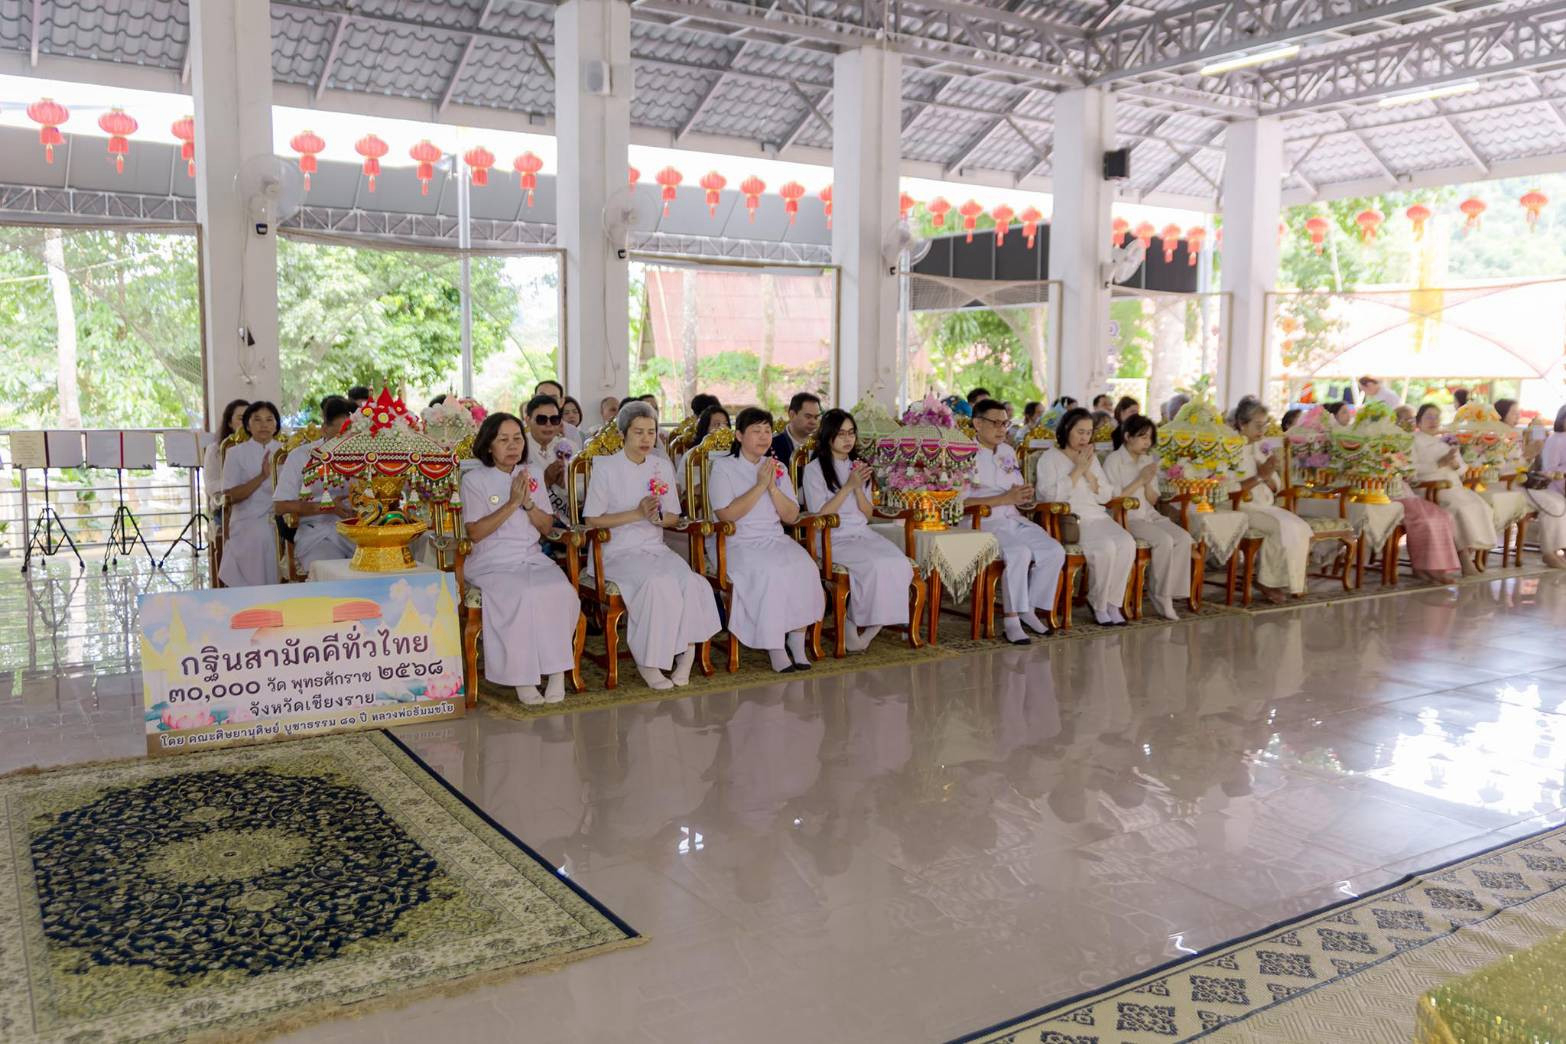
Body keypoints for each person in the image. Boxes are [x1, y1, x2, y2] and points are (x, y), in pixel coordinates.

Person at [583, 402, 720, 690]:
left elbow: (672, 516)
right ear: (623, 435)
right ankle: (649, 661)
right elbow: (593, 519)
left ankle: (686, 654)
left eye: (651, 432)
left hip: (655, 548)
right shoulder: (605, 467)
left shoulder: (661, 466)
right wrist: (637, 513)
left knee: (692, 583)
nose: (646, 439)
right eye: (638, 432)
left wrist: (659, 518)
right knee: (658, 585)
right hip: (617, 551)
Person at [460, 412, 578, 705]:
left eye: (517, 439)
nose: (512, 446)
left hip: (531, 556)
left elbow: (546, 528)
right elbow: (475, 532)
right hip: (491, 563)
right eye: (503, 440)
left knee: (559, 591)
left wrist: (528, 504)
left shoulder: (532, 473)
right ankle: (523, 678)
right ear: (489, 445)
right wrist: (513, 503)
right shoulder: (474, 479)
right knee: (523, 595)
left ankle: (556, 671)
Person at [707, 407, 826, 672]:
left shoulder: (777, 467)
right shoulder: (723, 468)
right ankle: (775, 646)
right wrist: (760, 485)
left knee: (804, 567)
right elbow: (726, 515)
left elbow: (792, 515)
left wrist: (772, 486)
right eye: (755, 431)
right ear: (738, 435)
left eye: (766, 431)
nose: (763, 437)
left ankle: (796, 640)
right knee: (770, 573)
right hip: (736, 541)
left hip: (773, 538)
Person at [801, 409, 914, 650]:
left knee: (899, 563)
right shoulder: (814, 470)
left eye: (851, 433)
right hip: (832, 537)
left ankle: (870, 626)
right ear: (828, 436)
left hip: (862, 533)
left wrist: (857, 487)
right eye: (841, 433)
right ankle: (852, 622)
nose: (847, 439)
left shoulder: (859, 466)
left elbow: (868, 513)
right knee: (873, 566)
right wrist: (847, 486)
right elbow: (819, 514)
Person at [967, 398, 1064, 644]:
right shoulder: (964, 454)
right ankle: (1011, 620)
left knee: (1053, 550)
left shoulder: (1008, 451)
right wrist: (1004, 498)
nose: (1002, 428)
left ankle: (1028, 608)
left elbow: (1016, 490)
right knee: (1018, 552)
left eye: (1005, 423)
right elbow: (959, 504)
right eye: (995, 423)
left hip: (1012, 518)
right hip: (982, 523)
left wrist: (1024, 498)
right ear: (977, 423)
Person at [1036, 408, 1135, 625]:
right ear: (1066, 430)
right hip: (1072, 519)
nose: (1084, 438)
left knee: (1127, 543)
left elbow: (1106, 495)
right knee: (1106, 547)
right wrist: (1078, 470)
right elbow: (1049, 496)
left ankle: (1113, 603)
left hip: (1097, 515)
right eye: (1080, 432)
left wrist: (1088, 470)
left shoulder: (1091, 458)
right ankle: (1098, 604)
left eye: (1088, 433)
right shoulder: (1049, 458)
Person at [1104, 416, 1194, 620]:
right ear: (1127, 436)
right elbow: (1113, 499)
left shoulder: (1146, 460)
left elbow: (1153, 499)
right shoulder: (1114, 460)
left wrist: (1147, 482)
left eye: (1149, 438)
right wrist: (1140, 480)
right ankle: (1161, 595)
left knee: (1184, 538)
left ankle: (1170, 591)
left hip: (1149, 514)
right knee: (1164, 540)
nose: (1147, 442)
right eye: (1142, 437)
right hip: (1127, 517)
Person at [1230, 400, 1312, 602]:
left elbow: (1276, 486)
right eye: (1258, 425)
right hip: (1239, 506)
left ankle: (1289, 581)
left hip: (1264, 505)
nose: (1262, 430)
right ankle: (1267, 581)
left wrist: (1268, 474)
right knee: (1281, 527)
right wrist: (1259, 476)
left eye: (1265, 425)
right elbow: (1229, 490)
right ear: (1242, 423)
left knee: (1301, 527)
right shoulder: (1228, 448)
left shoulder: (1260, 448)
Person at [272, 395, 356, 574]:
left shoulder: (363, 457)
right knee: (331, 572)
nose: (348, 438)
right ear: (325, 429)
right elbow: (280, 506)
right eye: (342, 432)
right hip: (319, 535)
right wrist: (328, 507)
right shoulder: (301, 456)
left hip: (359, 535)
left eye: (353, 432)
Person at [1413, 402, 1496, 576]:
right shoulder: (1413, 442)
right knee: (1460, 509)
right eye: (1428, 416)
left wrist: (1454, 463)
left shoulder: (1445, 442)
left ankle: (1471, 553)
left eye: (1437, 417)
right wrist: (1438, 463)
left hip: (1454, 487)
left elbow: (1463, 470)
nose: (1433, 420)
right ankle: (1464, 558)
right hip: (1431, 488)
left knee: (1480, 505)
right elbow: (1410, 471)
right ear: (1418, 421)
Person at [218, 401, 283, 588]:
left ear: (276, 425)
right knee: (260, 535)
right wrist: (262, 476)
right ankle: (258, 596)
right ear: (247, 425)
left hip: (282, 515)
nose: (264, 425)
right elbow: (231, 495)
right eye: (257, 420)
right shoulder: (236, 453)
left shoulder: (286, 452)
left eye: (269, 420)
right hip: (248, 518)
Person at [522, 394, 573, 519]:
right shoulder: (519, 449)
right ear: (528, 420)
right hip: (530, 521)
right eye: (542, 420)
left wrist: (568, 483)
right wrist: (545, 479)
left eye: (554, 419)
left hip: (566, 520)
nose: (549, 424)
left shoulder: (570, 447)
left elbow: (585, 490)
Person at [204, 397, 249, 525]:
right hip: (226, 507)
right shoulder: (215, 449)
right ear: (229, 423)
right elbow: (211, 486)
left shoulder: (261, 448)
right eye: (241, 419)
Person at [1532, 404, 1566, 569]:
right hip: (1556, 485)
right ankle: (1552, 551)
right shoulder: (1556, 439)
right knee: (1558, 506)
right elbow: (1549, 469)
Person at [677, 404, 730, 492]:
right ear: (705, 428)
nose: (723, 429)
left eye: (726, 424)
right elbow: (687, 495)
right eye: (717, 424)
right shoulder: (693, 455)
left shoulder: (735, 453)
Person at [772, 392, 822, 462]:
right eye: (808, 417)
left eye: (816, 417)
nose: (813, 422)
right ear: (792, 415)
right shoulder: (771, 445)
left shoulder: (822, 446)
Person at [534, 379, 583, 449]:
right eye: (542, 396)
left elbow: (576, 458)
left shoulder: (571, 431)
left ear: (561, 402)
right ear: (533, 398)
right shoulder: (521, 430)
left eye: (553, 398)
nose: (547, 401)